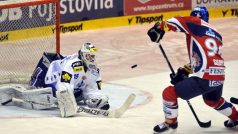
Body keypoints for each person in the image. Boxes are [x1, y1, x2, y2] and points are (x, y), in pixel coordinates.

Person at [147, 6, 238, 133]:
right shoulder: (216, 34)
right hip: (219, 77)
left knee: (169, 93)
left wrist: (159, 27)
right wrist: (185, 70)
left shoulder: (195, 22)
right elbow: (207, 57)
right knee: (212, 100)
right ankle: (236, 117)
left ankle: (170, 122)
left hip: (205, 78)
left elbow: (177, 21)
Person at [0, 42, 110, 117]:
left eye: (93, 56)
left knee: (93, 95)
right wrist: (66, 98)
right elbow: (64, 84)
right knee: (57, 94)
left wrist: (96, 98)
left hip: (74, 89)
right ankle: (29, 89)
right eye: (89, 56)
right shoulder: (73, 64)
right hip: (51, 82)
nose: (92, 59)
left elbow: (92, 87)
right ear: (83, 55)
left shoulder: (95, 69)